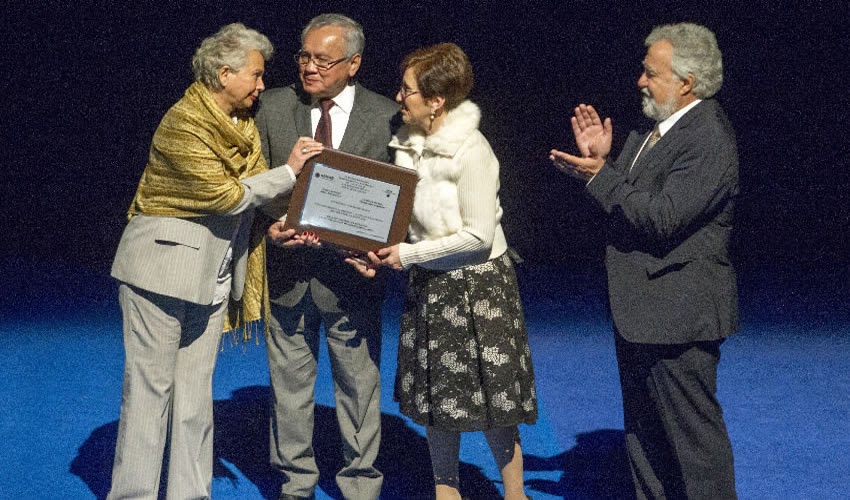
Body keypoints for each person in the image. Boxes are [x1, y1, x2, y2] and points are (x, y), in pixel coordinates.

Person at [106, 23, 310, 499]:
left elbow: (253, 198)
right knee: (149, 395)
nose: (262, 85)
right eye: (256, 76)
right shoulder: (183, 122)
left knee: (195, 401)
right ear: (224, 73)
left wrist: (278, 225)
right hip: (158, 274)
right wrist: (289, 172)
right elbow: (222, 194)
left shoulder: (241, 128)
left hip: (213, 276)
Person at [549, 23, 739, 499]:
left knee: (694, 449)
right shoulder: (651, 131)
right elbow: (632, 202)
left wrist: (600, 179)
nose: (640, 81)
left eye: (651, 73)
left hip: (679, 316)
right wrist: (604, 165)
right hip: (643, 312)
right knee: (645, 441)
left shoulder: (708, 136)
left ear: (687, 82)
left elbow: (663, 218)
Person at [347, 43, 537, 500]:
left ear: (436, 101)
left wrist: (408, 257)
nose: (399, 97)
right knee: (436, 401)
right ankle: (445, 492)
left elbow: (477, 238)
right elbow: (398, 221)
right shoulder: (407, 145)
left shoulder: (472, 150)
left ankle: (515, 495)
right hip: (431, 284)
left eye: (408, 90)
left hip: (479, 286)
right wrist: (380, 254)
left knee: (494, 400)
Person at [253, 13, 398, 500]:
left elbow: (403, 201)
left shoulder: (386, 116)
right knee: (288, 390)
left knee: (358, 389)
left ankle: (359, 485)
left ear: (353, 63)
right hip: (289, 272)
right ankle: (295, 484)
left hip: (354, 277)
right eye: (303, 55)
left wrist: (383, 252)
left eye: (323, 58)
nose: (309, 67)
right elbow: (252, 186)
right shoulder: (273, 107)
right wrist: (270, 231)